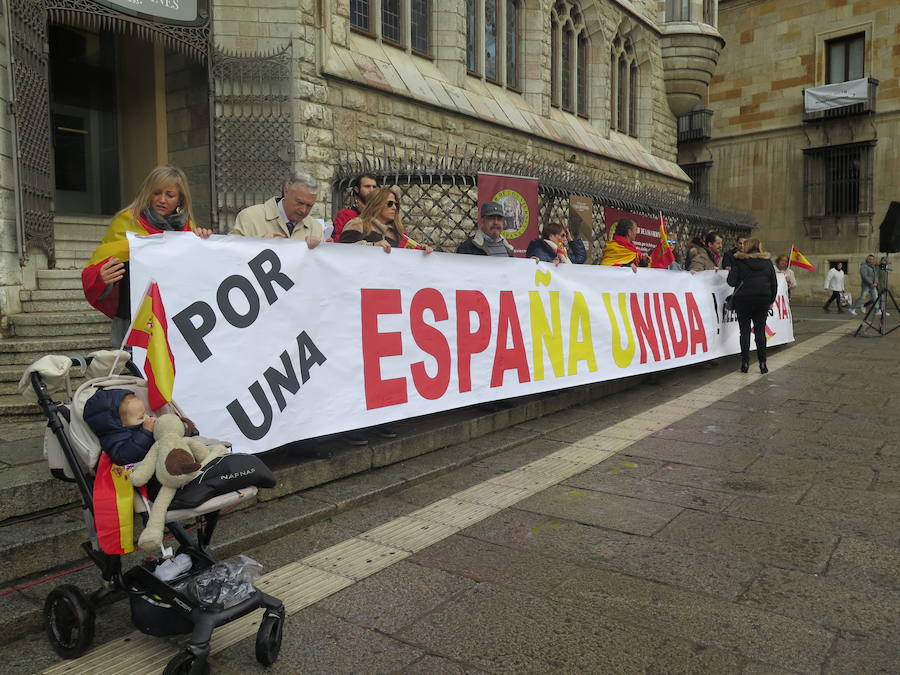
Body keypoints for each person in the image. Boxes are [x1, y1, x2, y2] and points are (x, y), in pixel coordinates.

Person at [82, 165, 212, 345]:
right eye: (156, 193)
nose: (162, 200)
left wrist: (203, 241)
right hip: (134, 318)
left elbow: (201, 274)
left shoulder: (187, 229)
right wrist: (101, 278)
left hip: (177, 319)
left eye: (170, 195)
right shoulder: (127, 220)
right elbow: (98, 265)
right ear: (147, 193)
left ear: (180, 199)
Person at [230, 171, 323, 245]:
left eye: (309, 206)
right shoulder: (250, 218)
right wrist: (259, 244)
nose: (303, 210)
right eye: (300, 202)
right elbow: (230, 255)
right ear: (286, 192)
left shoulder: (315, 228)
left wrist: (319, 251)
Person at [727, 237, 778, 374]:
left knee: (744, 332)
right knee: (760, 332)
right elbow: (774, 283)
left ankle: (745, 363)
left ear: (747, 246)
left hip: (743, 300)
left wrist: (732, 271)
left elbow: (731, 282)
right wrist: (770, 300)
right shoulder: (767, 263)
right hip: (762, 300)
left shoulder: (739, 261)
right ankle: (762, 364)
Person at [339, 187, 433, 253]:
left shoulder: (397, 234)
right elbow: (342, 252)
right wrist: (372, 246)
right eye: (390, 204)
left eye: (396, 204)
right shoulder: (358, 224)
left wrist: (421, 252)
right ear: (376, 204)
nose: (394, 208)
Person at [83, 389, 157, 467]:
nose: (147, 417)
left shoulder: (136, 425)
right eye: (141, 417)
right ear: (119, 423)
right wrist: (146, 433)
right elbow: (124, 456)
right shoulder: (113, 438)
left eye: (145, 413)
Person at [332, 173, 379, 242]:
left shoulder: (382, 213)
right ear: (357, 189)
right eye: (367, 186)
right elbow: (339, 242)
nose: (371, 190)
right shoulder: (345, 214)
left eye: (374, 187)